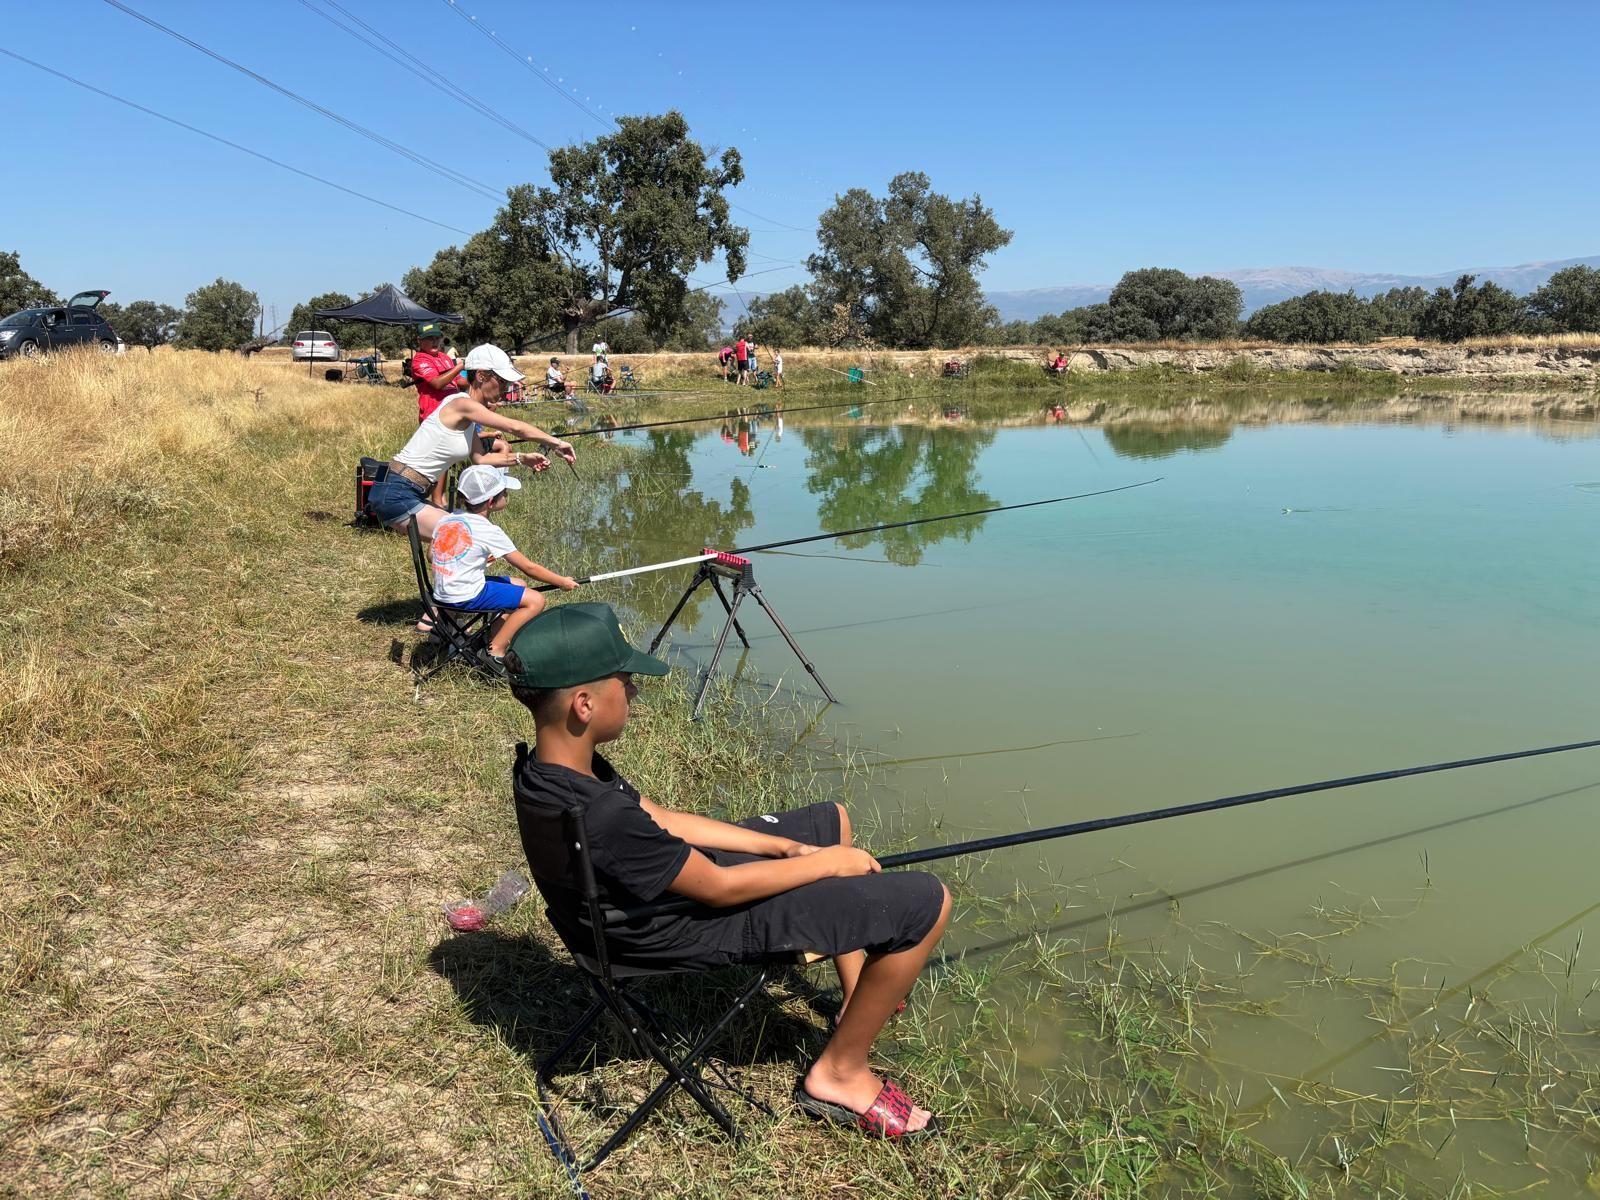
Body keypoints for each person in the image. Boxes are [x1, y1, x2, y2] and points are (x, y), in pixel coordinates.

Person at [507, 605, 951, 1138]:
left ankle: (858, 1000)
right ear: (584, 704)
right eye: (625, 683)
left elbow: (661, 818)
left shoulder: (553, 771)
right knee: (927, 901)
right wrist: (829, 865)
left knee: (829, 821)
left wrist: (784, 847)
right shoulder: (602, 815)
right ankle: (840, 1074)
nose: (634, 694)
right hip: (682, 929)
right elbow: (719, 889)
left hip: (647, 908)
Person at [365, 343, 575, 540]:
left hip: (407, 490)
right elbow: (515, 427)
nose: (506, 388)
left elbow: (481, 459)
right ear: (482, 376)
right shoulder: (461, 404)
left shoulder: (468, 417)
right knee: (471, 537)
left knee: (461, 542)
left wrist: (523, 458)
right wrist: (557, 443)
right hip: (397, 492)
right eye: (502, 381)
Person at [430, 465, 577, 665]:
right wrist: (562, 581)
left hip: (442, 592)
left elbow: (432, 555)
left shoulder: (447, 519)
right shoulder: (489, 530)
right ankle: (495, 651)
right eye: (504, 493)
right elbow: (529, 567)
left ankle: (492, 635)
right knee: (536, 601)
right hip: (464, 595)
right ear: (491, 502)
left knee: (518, 584)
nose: (507, 495)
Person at [412, 322, 463, 424]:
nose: (435, 341)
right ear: (419, 340)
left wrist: (476, 376)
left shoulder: (445, 357)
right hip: (433, 416)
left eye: (437, 338)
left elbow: (459, 381)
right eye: (430, 338)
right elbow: (437, 384)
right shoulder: (420, 359)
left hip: (453, 411)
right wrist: (461, 366)